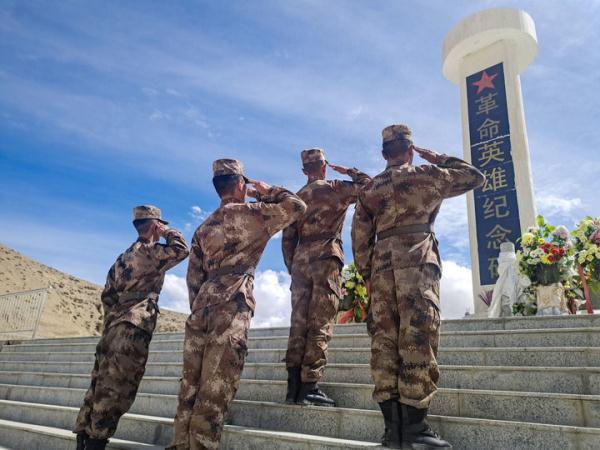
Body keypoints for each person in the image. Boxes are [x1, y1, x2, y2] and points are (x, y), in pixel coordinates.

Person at [352, 125, 484, 449]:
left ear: (384, 153)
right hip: (417, 261)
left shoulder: (370, 189)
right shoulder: (429, 174)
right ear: (410, 149)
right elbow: (474, 176)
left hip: (381, 267)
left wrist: (367, 273)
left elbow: (359, 237)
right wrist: (437, 156)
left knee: (384, 342)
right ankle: (415, 429)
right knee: (418, 338)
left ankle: (391, 431)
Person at [168, 159, 306, 450]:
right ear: (241, 185)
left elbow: (193, 277)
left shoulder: (204, 227)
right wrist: (268, 191)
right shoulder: (253, 213)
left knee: (189, 388)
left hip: (202, 305)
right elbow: (297, 206)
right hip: (231, 303)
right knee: (216, 388)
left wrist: (201, 305)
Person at [74, 205, 189, 450]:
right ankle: (97, 441)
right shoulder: (151, 251)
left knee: (99, 383)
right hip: (133, 327)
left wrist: (115, 318)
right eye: (159, 225)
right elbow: (182, 250)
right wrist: (169, 231)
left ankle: (84, 436)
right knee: (117, 387)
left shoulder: (122, 257)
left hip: (113, 326)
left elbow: (107, 296)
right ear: (154, 225)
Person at [282, 148, 370, 406]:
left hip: (300, 261)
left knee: (298, 322)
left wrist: (293, 266)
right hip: (326, 257)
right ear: (324, 166)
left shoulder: (297, 198)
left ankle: (293, 387)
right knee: (320, 321)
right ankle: (309, 386)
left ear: (303, 171)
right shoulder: (336, 188)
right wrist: (350, 171)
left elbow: (287, 240)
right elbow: (369, 187)